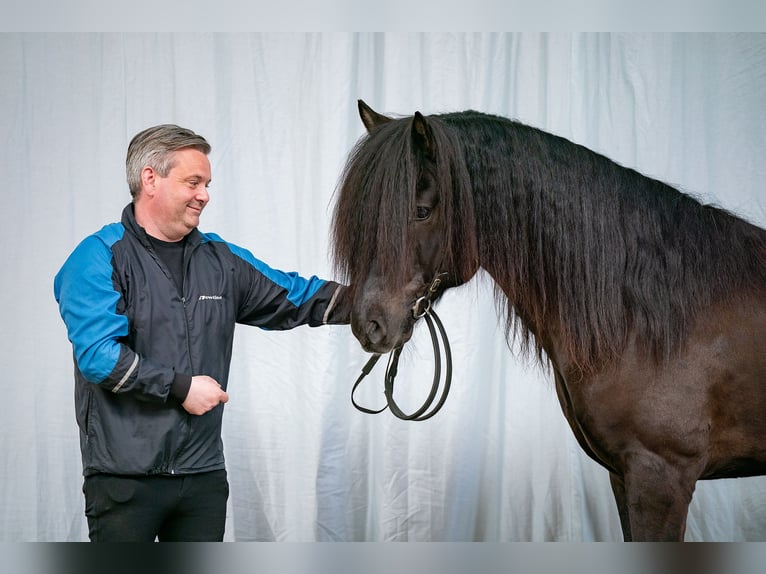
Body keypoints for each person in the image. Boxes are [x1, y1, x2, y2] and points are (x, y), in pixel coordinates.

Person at [53, 124, 351, 541]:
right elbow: (100, 357)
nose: (205, 195)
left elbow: (294, 296)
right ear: (150, 179)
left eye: (207, 184)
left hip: (202, 476)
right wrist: (181, 388)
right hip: (124, 479)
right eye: (193, 182)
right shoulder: (98, 257)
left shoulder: (220, 259)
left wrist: (373, 303)